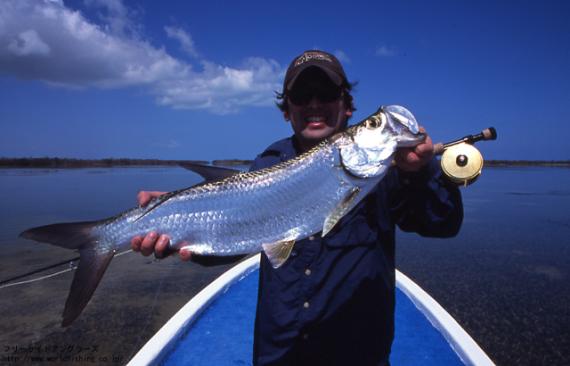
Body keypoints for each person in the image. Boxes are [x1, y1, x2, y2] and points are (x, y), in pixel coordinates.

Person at [131, 50, 463, 366]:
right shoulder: (267, 163)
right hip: (280, 353)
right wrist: (180, 225)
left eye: (327, 93)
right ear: (287, 110)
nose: (315, 104)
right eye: (303, 96)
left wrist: (421, 173)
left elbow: (443, 223)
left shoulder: (389, 171)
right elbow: (241, 233)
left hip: (357, 353)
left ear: (347, 106)